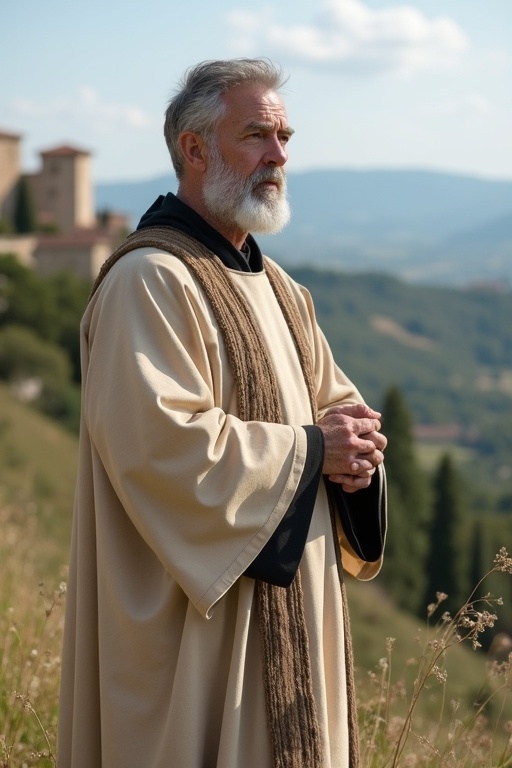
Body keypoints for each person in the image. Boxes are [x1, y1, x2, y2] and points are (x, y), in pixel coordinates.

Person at [58, 58, 387, 768]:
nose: (279, 156)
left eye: (284, 137)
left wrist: (359, 452)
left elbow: (336, 410)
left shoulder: (284, 290)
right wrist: (311, 452)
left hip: (292, 614)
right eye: (257, 136)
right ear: (195, 149)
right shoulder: (149, 281)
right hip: (200, 642)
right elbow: (161, 450)